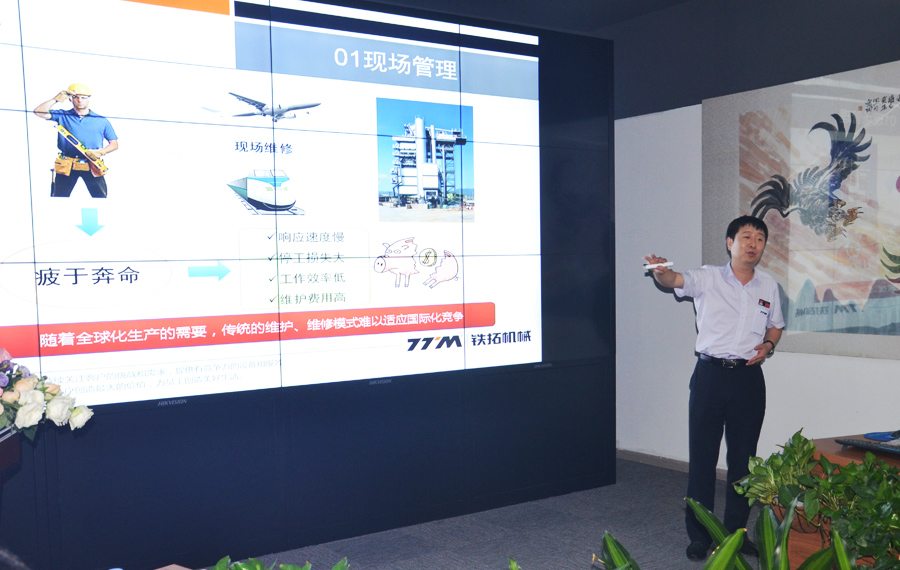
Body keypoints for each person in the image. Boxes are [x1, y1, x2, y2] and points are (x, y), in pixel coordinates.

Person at [645, 215, 784, 561]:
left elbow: (776, 326)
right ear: (730, 242)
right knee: (703, 459)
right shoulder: (708, 276)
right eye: (746, 237)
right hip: (710, 376)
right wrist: (660, 271)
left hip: (748, 379)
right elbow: (674, 280)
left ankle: (736, 533)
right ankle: (700, 535)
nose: (753, 244)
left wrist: (768, 346)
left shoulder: (768, 286)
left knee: (743, 462)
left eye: (760, 239)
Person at [33, 83, 118, 198]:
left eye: (83, 97)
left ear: (89, 99)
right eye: (76, 97)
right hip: (67, 164)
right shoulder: (63, 115)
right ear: (70, 99)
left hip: (92, 164)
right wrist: (56, 99)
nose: (80, 100)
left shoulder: (101, 120)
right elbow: (39, 112)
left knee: (100, 198)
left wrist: (100, 152)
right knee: (59, 198)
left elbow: (114, 144)